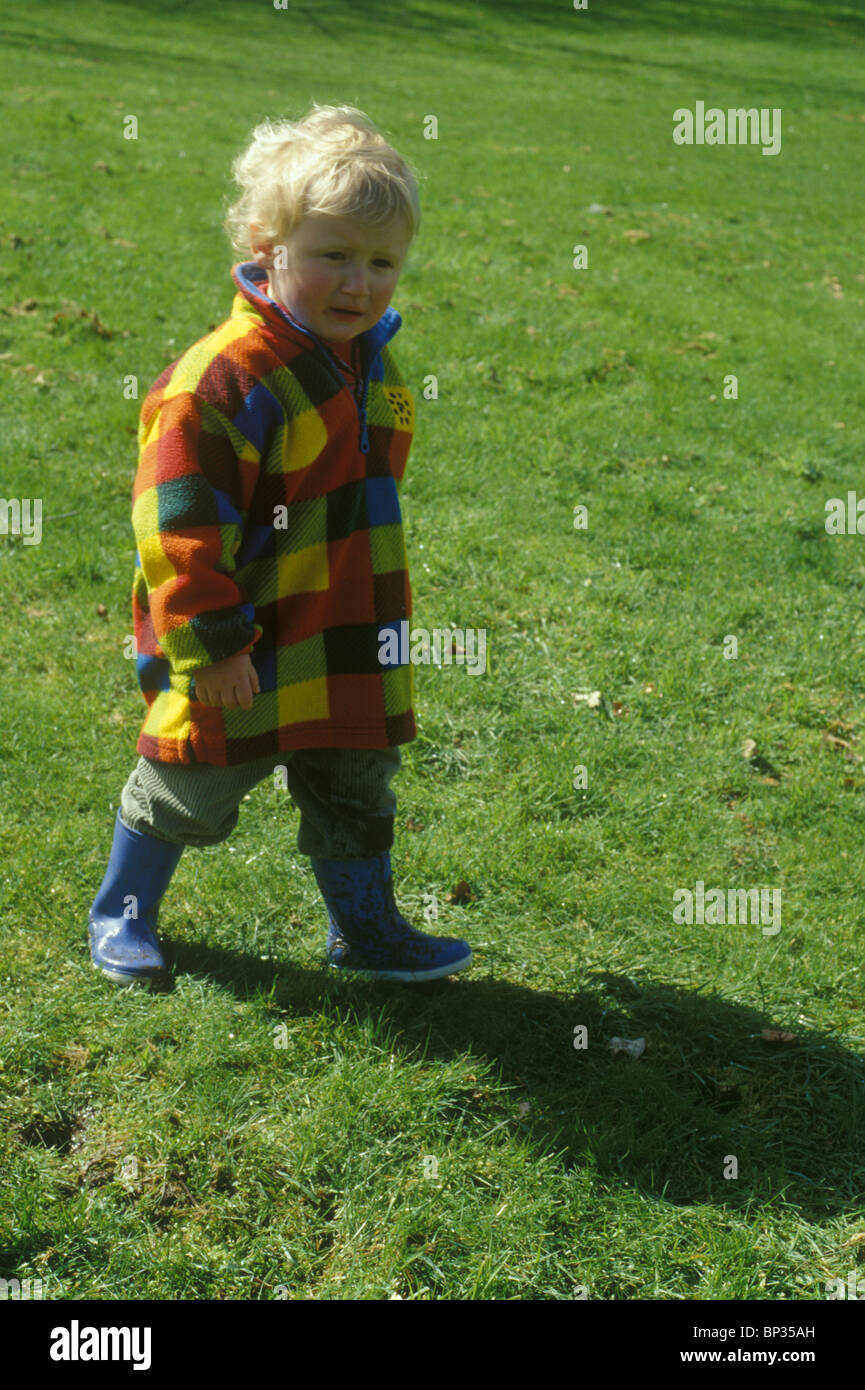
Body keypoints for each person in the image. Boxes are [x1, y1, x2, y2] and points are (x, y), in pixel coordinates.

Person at [87, 104, 472, 987]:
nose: (358, 282)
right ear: (268, 244)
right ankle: (123, 911)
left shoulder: (368, 356)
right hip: (245, 634)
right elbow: (173, 525)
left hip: (345, 619)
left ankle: (364, 931)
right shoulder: (222, 382)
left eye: (382, 262)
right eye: (333, 254)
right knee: (193, 778)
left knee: (355, 774)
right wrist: (214, 641)